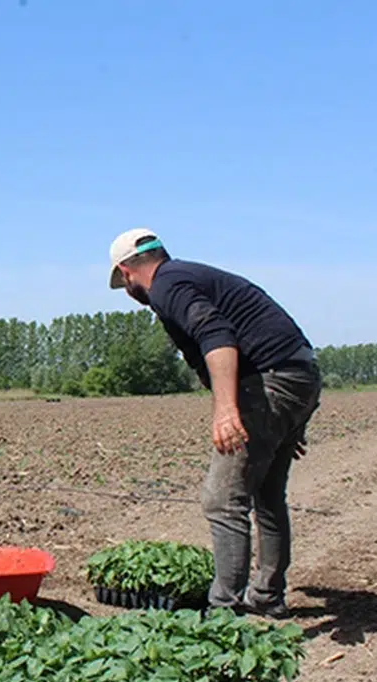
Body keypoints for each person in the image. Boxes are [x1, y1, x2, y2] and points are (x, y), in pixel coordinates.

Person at [108, 228, 322, 617]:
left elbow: (217, 334)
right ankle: (267, 596)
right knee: (268, 496)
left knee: (223, 500)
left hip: (267, 383)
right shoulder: (190, 275)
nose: (128, 293)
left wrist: (226, 410)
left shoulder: (166, 285)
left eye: (122, 284)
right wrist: (291, 421)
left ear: (127, 272)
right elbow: (285, 344)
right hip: (297, 375)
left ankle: (223, 613)